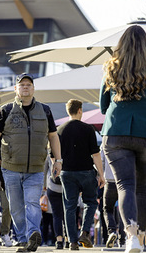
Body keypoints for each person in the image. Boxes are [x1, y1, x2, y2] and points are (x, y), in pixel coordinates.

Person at [100, 25, 146, 253]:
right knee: (143, 188)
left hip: (116, 133)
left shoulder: (111, 69)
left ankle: (130, 235)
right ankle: (140, 236)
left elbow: (103, 107)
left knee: (124, 186)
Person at [0, 73, 62, 253]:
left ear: (33, 88)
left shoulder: (45, 110)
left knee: (33, 203)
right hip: (10, 168)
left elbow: (53, 136)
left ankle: (32, 235)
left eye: (28, 84)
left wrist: (58, 160)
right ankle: (22, 239)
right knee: (16, 206)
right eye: (22, 85)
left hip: (36, 169)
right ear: (16, 89)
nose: (25, 87)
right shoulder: (5, 110)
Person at [58, 99, 105, 250]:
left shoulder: (60, 130)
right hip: (86, 171)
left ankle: (72, 241)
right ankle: (84, 232)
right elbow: (96, 154)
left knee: (69, 207)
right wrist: (101, 174)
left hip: (66, 172)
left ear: (68, 111)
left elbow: (53, 155)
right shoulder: (88, 129)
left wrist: (57, 170)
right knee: (90, 202)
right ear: (80, 110)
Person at [101, 146, 126, 249]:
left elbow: (101, 161)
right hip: (124, 181)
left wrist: (101, 175)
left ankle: (111, 231)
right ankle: (122, 240)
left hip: (109, 181)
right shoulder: (126, 142)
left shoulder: (105, 143)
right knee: (123, 210)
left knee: (107, 209)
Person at [43, 154, 65, 249]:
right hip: (67, 188)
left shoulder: (49, 153)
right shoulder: (68, 148)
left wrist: (44, 185)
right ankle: (68, 240)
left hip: (52, 187)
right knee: (67, 214)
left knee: (56, 215)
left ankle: (59, 241)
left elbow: (44, 171)